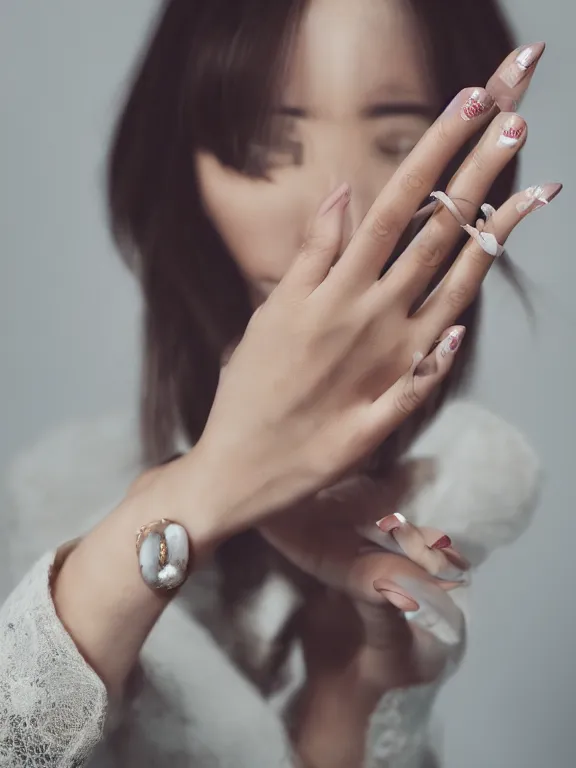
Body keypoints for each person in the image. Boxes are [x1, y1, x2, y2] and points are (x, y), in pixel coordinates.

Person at [0, 0, 558, 766]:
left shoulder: (453, 503)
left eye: (403, 144)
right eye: (263, 144)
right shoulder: (36, 502)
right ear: (177, 164)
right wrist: (200, 493)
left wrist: (346, 695)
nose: (338, 217)